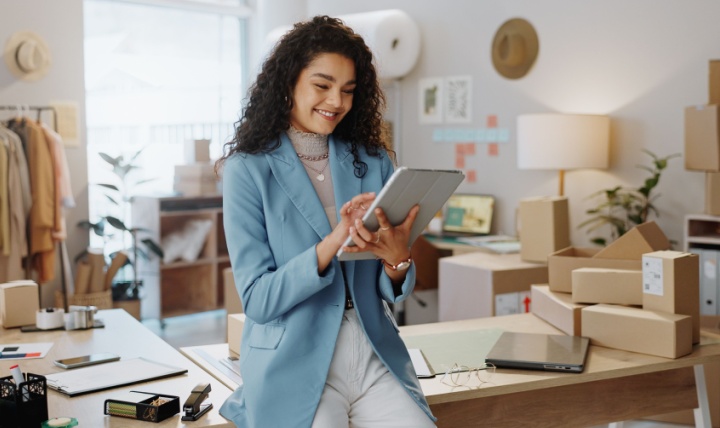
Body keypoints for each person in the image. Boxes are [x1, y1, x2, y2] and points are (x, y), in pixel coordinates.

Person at [216, 15, 437, 428]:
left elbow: (394, 290)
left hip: (373, 353)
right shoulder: (246, 170)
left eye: (348, 90)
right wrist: (331, 243)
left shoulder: (374, 160)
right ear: (288, 83)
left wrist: (398, 261)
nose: (336, 101)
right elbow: (258, 301)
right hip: (295, 361)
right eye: (322, 85)